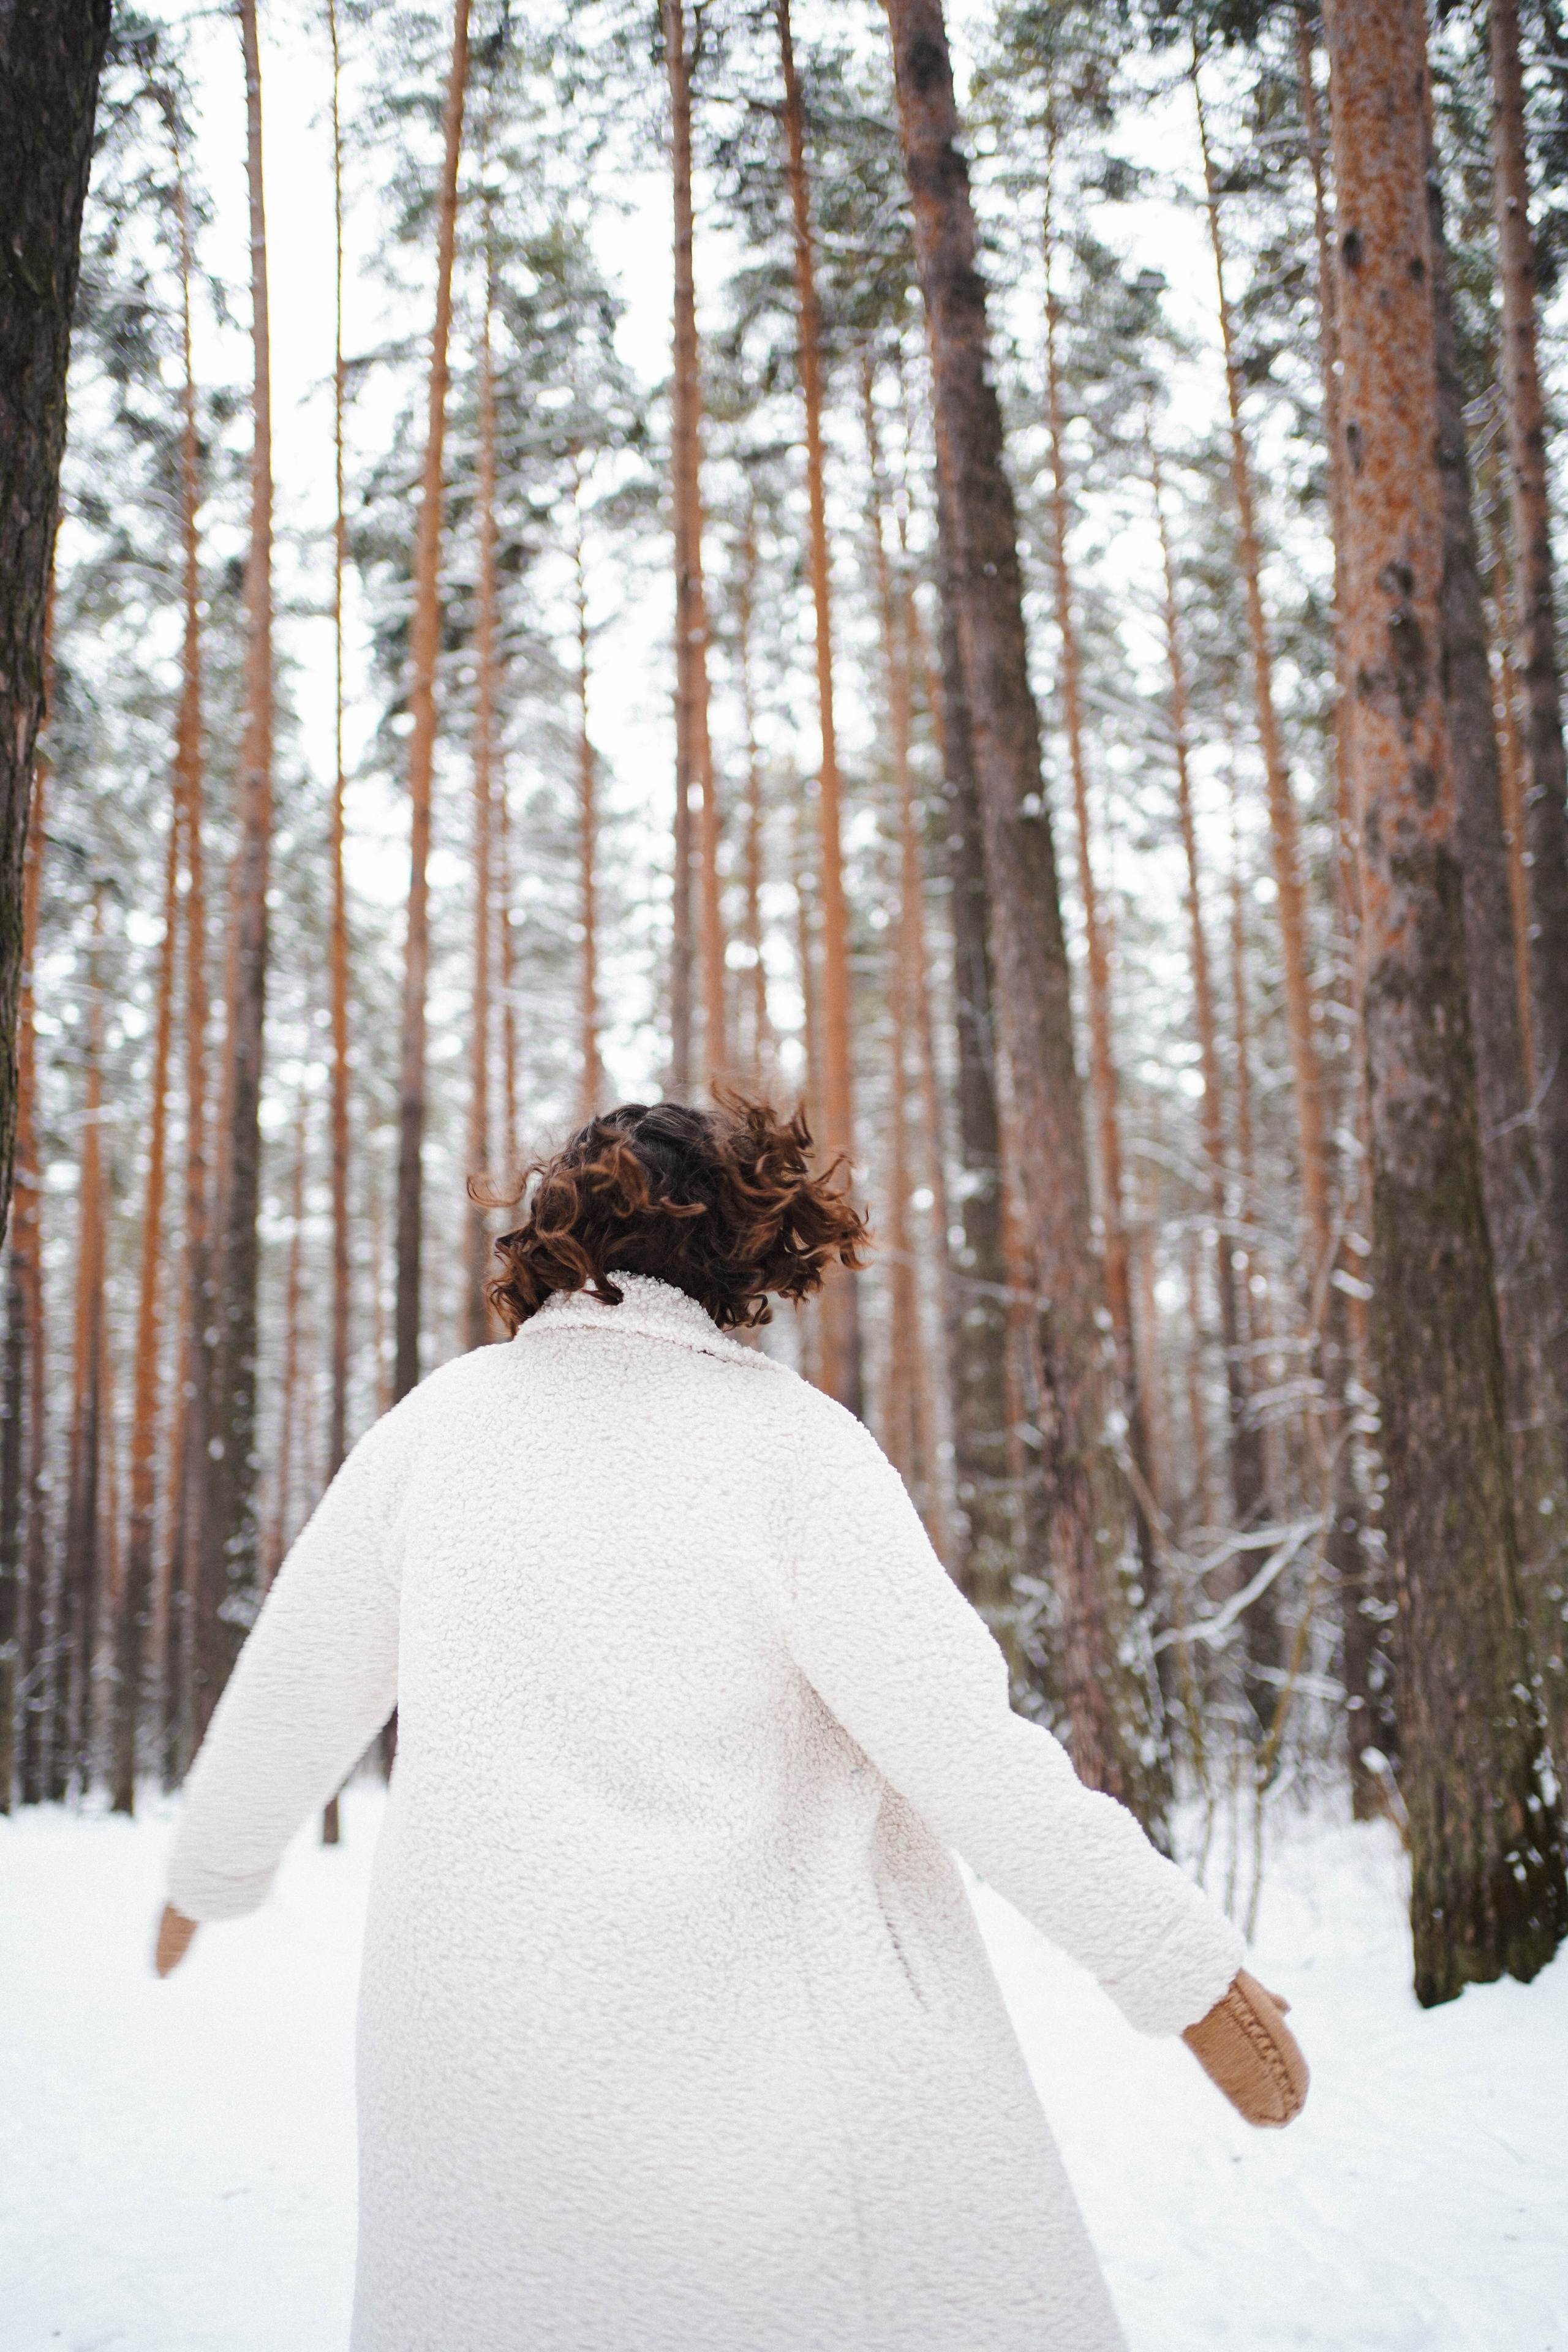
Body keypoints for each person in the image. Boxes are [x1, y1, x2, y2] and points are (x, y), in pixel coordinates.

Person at [157, 1093, 1306, 2352]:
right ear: (751, 1253)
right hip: (760, 2090)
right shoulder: (794, 1451)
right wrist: (1179, 1967)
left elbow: (293, 1683)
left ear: (553, 1236)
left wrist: (212, 1869)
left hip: (479, 2070)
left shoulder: (435, 1430)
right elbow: (967, 1750)